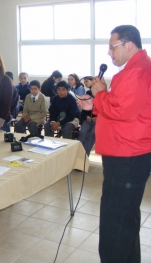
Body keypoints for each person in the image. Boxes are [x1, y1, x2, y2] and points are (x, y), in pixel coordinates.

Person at [91, 25, 151, 263]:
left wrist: (99, 94)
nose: (109, 53)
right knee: (126, 219)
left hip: (127, 155)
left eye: (112, 47)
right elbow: (123, 106)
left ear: (128, 45)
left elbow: (120, 109)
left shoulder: (137, 72)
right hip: (129, 151)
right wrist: (95, 104)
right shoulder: (138, 68)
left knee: (114, 222)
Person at [77, 77, 96, 156]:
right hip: (88, 118)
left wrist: (98, 118)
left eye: (87, 81)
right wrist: (86, 117)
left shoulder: (101, 93)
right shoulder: (87, 93)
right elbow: (84, 110)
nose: (85, 83)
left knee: (92, 135)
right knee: (82, 133)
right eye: (84, 82)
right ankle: (78, 155)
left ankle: (85, 156)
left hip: (98, 120)